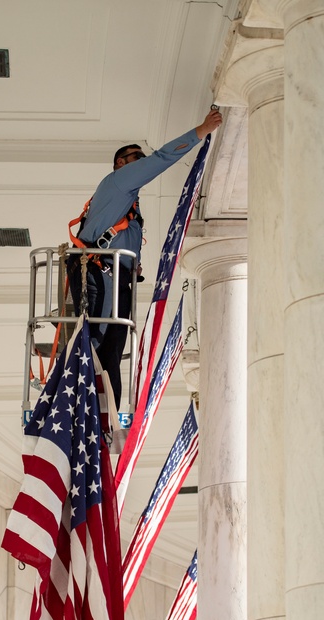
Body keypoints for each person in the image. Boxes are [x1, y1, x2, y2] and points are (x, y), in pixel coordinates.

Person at [68, 109, 223, 409]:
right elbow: (159, 160)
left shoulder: (128, 204)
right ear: (120, 164)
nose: (141, 160)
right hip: (100, 273)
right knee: (98, 344)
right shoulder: (117, 182)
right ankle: (84, 407)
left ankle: (106, 414)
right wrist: (200, 131)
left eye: (141, 156)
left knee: (113, 348)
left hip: (117, 279)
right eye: (135, 157)